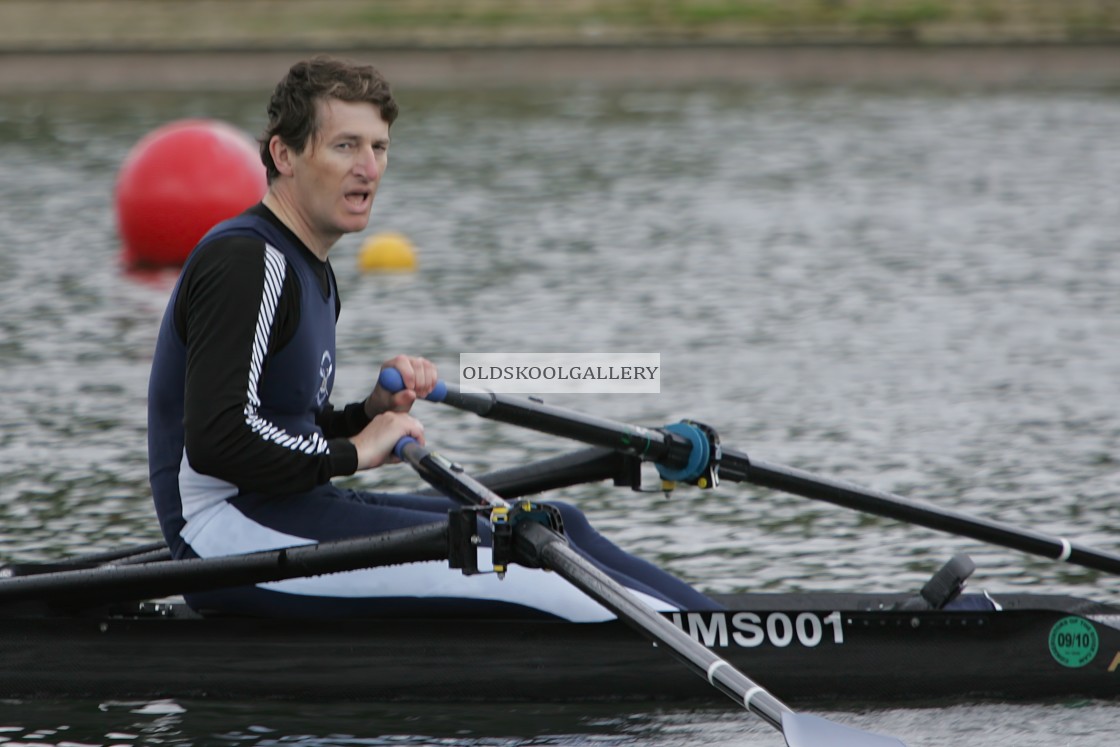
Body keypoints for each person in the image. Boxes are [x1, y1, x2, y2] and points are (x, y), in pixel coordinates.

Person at [147, 55, 720, 620]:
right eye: (346, 145)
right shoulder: (248, 261)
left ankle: (718, 625)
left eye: (380, 148)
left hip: (287, 507)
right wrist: (356, 452)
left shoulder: (311, 267)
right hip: (227, 536)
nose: (368, 168)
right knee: (518, 558)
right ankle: (722, 646)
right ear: (284, 154)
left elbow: (282, 426)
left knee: (556, 522)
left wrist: (364, 414)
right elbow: (220, 440)